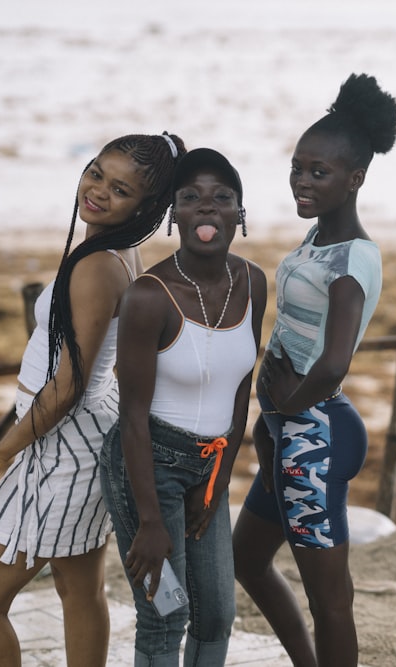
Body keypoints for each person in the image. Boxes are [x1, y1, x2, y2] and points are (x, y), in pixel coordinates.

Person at [0, 132, 186, 666]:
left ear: (144, 206)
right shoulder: (115, 249)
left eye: (119, 189)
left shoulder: (99, 265)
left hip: (58, 445)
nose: (97, 190)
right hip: (84, 434)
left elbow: (69, 384)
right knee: (79, 590)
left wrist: (0, 453)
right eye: (95, 172)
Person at [231, 73, 396, 667]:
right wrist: (269, 424)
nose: (303, 181)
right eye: (298, 167)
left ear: (355, 179)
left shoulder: (353, 257)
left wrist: (283, 409)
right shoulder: (318, 238)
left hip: (315, 437)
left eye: (319, 172)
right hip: (295, 430)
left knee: (331, 600)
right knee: (246, 559)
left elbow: (333, 364)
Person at [99, 148, 266, 667]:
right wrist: (150, 521)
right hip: (146, 468)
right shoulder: (149, 296)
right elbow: (131, 416)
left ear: (240, 212)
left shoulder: (253, 282)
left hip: (208, 467)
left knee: (217, 613)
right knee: (165, 611)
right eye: (190, 198)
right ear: (174, 215)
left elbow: (242, 391)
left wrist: (216, 483)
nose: (207, 209)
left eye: (222, 198)